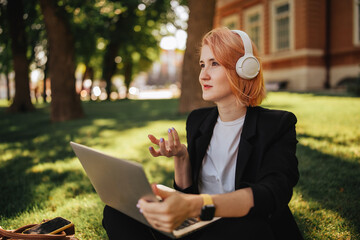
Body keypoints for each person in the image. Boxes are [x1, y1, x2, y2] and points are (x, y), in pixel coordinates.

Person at [102, 27, 303, 240]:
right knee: (117, 212)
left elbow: (271, 194)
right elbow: (188, 195)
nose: (203, 75)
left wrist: (197, 206)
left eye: (214, 64)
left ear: (245, 68)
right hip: (200, 225)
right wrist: (182, 157)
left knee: (249, 229)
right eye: (202, 64)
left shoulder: (277, 124)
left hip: (242, 227)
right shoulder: (198, 121)